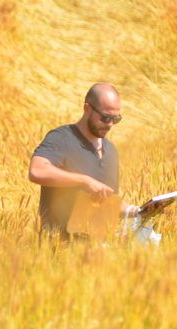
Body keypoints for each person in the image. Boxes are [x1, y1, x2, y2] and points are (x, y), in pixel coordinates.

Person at [28, 83, 139, 240]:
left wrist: (139, 211)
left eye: (116, 119)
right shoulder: (61, 138)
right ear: (87, 108)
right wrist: (84, 180)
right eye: (105, 117)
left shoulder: (111, 151)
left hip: (97, 252)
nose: (110, 124)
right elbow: (37, 171)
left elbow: (107, 201)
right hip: (60, 250)